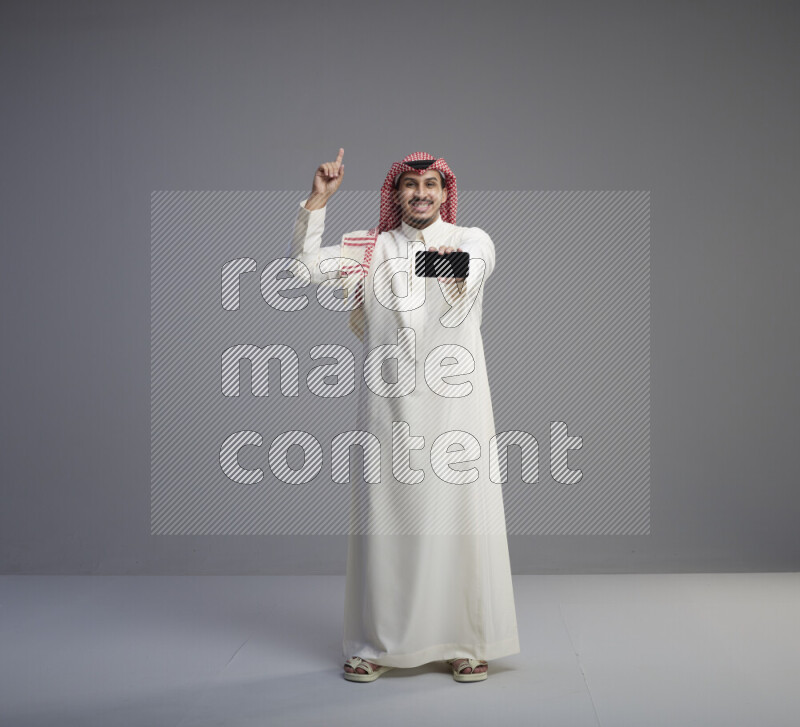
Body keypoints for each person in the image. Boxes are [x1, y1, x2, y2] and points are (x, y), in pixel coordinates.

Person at [287, 149, 520, 682]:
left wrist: (382, 260)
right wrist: (318, 203)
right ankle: (374, 644)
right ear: (395, 194)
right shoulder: (371, 248)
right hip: (387, 408)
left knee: (460, 522)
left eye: (431, 185)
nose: (421, 193)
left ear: (445, 193)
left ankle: (465, 641)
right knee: (385, 525)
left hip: (457, 410)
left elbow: (464, 269)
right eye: (410, 185)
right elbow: (302, 269)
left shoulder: (471, 239)